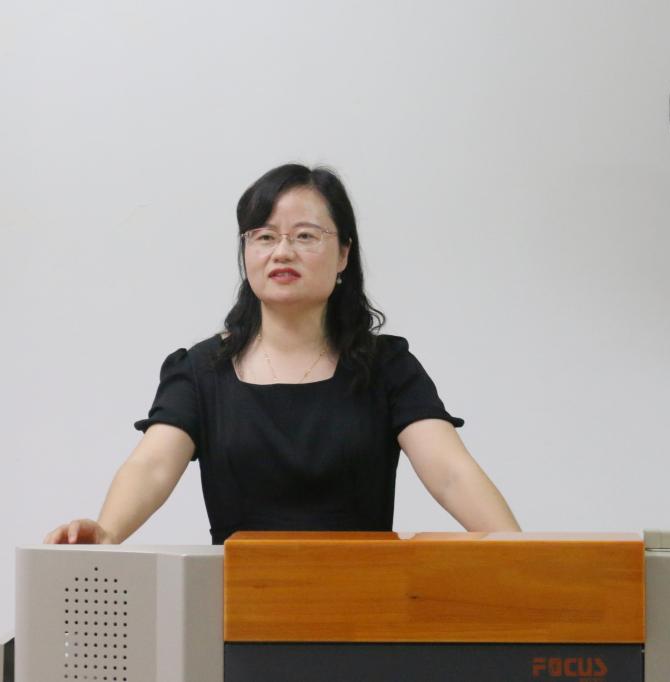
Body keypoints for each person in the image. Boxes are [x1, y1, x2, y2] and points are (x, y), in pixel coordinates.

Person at [45, 164, 519, 546]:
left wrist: (528, 554)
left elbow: (450, 473)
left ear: (343, 255)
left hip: (366, 608)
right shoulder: (201, 370)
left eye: (305, 236)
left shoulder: (387, 367)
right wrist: (107, 532)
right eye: (264, 236)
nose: (282, 252)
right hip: (238, 608)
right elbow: (151, 466)